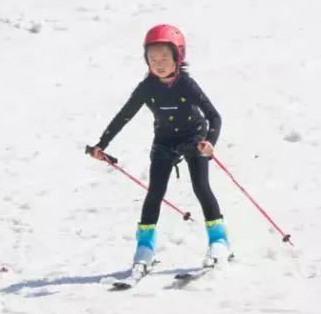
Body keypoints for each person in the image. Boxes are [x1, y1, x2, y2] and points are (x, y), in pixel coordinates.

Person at [87, 24, 230, 280]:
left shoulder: (186, 84)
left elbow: (214, 117)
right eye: (153, 59)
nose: (159, 64)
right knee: (154, 193)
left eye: (165, 57)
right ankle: (144, 250)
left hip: (193, 139)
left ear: (178, 57)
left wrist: (210, 141)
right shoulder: (147, 88)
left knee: (201, 187)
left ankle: (219, 242)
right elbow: (124, 116)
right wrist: (102, 145)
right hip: (164, 142)